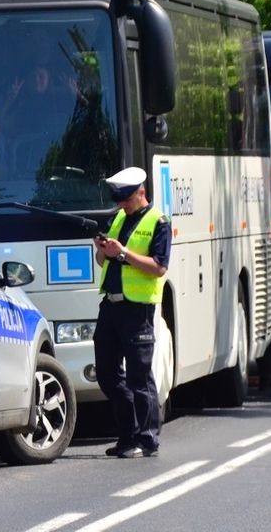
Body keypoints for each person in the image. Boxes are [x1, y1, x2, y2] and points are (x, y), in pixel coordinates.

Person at [93, 166, 171, 458]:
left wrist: (122, 253)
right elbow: (105, 262)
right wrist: (102, 249)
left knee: (140, 377)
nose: (122, 204)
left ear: (141, 192)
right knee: (107, 374)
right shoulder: (118, 219)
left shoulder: (158, 222)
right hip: (110, 305)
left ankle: (147, 438)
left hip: (137, 308)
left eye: (126, 199)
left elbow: (159, 266)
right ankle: (128, 435)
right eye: (119, 199)